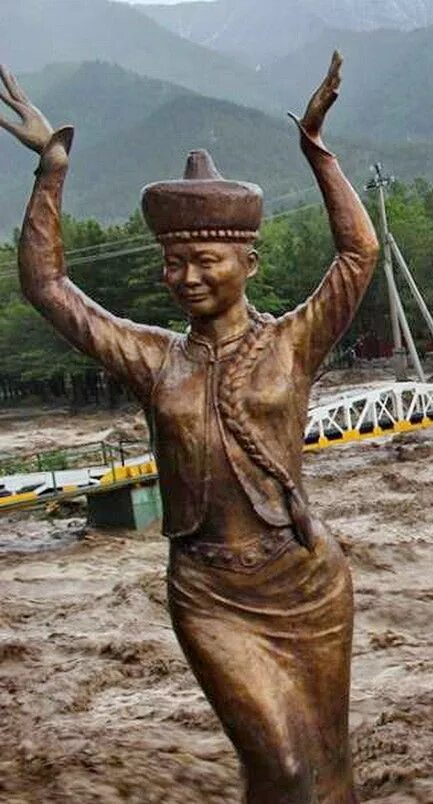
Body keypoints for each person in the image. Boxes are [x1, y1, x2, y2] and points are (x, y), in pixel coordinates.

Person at [1, 53, 379, 803]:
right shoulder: (152, 359)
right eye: (174, 263)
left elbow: (358, 253)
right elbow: (47, 286)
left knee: (330, 771)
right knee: (278, 766)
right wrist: (51, 171)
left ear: (248, 261)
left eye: (205, 260)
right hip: (209, 589)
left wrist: (316, 151)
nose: (188, 277)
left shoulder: (293, 342)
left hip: (305, 575)